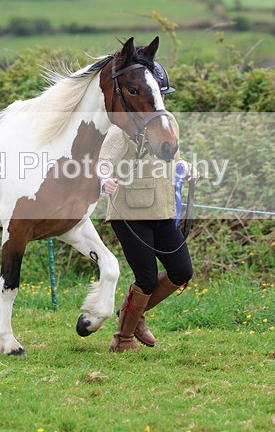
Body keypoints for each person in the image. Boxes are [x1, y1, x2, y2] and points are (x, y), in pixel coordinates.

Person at [100, 61, 194, 352]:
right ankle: (123, 338)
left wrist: (185, 167)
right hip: (129, 213)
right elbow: (102, 163)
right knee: (147, 278)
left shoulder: (169, 123)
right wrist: (105, 181)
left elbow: (170, 158)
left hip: (162, 209)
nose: (160, 102)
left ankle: (132, 314)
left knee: (182, 271)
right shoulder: (123, 130)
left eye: (163, 96)